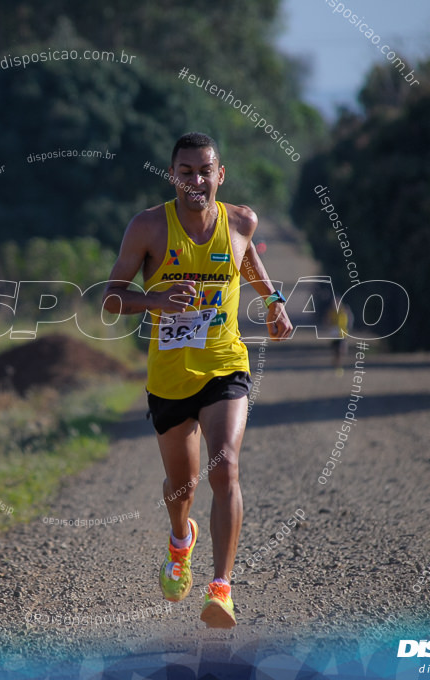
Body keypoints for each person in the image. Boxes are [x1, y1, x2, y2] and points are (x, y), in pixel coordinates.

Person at [102, 132, 293, 628]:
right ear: (174, 176)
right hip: (169, 376)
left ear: (220, 174)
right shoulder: (148, 227)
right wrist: (157, 301)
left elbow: (246, 257)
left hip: (225, 363)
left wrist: (273, 302)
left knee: (224, 469)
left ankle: (222, 589)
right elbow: (111, 297)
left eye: (205, 171)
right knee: (181, 486)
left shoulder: (241, 220)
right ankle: (180, 540)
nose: (196, 181)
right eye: (186, 172)